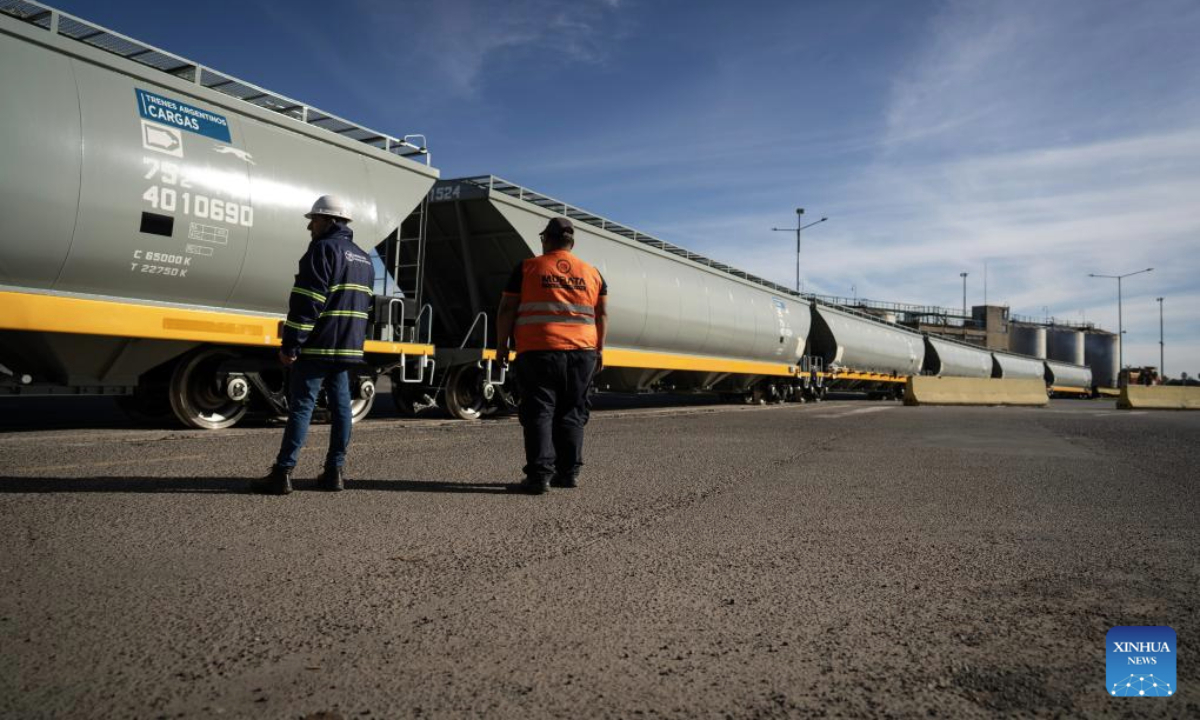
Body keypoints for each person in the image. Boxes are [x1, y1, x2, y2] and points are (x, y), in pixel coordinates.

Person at [253, 195, 375, 495]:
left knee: (302, 407)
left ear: (329, 221)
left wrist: (291, 345)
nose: (310, 226)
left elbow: (308, 303)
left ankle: (282, 473)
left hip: (319, 345)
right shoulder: (363, 258)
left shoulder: (322, 250)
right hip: (348, 347)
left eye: (314, 220)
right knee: (341, 408)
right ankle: (334, 473)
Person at [496, 217, 608, 494]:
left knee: (539, 412)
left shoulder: (527, 268)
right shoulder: (593, 273)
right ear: (572, 242)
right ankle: (568, 473)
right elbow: (601, 314)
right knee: (572, 412)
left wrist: (501, 345)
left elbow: (507, 309)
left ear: (546, 239)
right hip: (582, 353)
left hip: (538, 351)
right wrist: (600, 349)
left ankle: (539, 477)